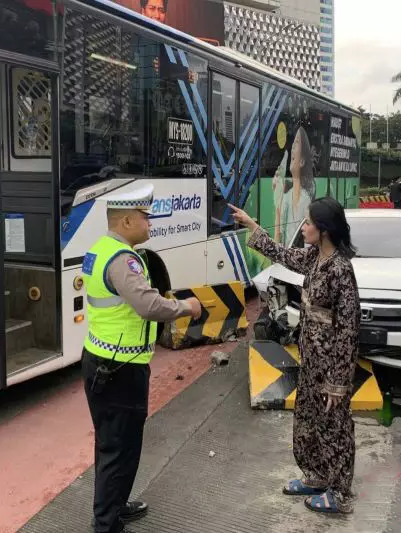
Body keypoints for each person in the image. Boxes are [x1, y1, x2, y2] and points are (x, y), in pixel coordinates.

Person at [81, 183, 201, 533]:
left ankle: (114, 505)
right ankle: (107, 523)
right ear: (128, 220)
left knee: (113, 444)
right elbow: (148, 306)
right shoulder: (122, 260)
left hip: (103, 361)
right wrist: (186, 308)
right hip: (119, 370)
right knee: (120, 447)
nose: (150, 224)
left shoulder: (100, 249)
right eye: (146, 218)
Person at [230, 198, 361, 515]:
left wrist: (338, 382)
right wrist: (252, 225)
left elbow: (348, 330)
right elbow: (284, 254)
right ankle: (316, 476)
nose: (303, 227)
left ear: (324, 229)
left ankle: (338, 492)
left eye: (308, 222)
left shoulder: (340, 270)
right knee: (307, 422)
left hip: (331, 366)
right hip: (311, 360)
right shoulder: (315, 258)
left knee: (334, 427)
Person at [275, 126, 316, 245]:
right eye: (293, 142)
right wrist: (277, 200)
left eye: (296, 142)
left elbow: (309, 242)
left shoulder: (305, 199)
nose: (292, 146)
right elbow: (279, 236)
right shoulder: (286, 197)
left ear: (302, 161)